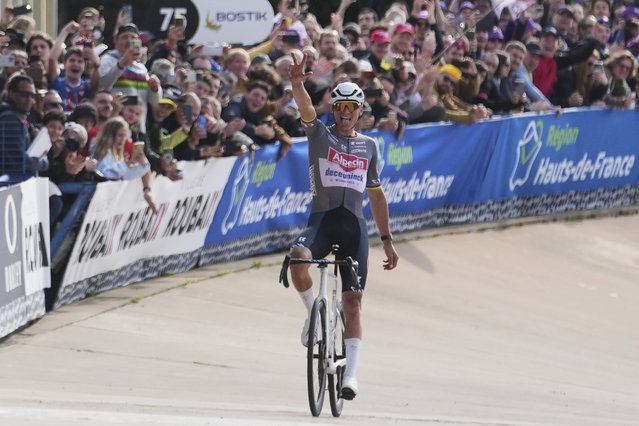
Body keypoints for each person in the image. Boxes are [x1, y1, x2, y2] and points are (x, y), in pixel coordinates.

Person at [287, 52, 399, 401]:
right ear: (333, 110)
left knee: (353, 304)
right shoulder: (320, 135)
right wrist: (296, 84)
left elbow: (377, 198)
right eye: (340, 108)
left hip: (353, 228)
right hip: (321, 221)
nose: (346, 113)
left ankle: (350, 374)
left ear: (360, 111)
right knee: (297, 259)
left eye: (352, 108)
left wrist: (387, 240)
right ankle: (311, 312)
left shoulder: (370, 146)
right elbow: (306, 110)